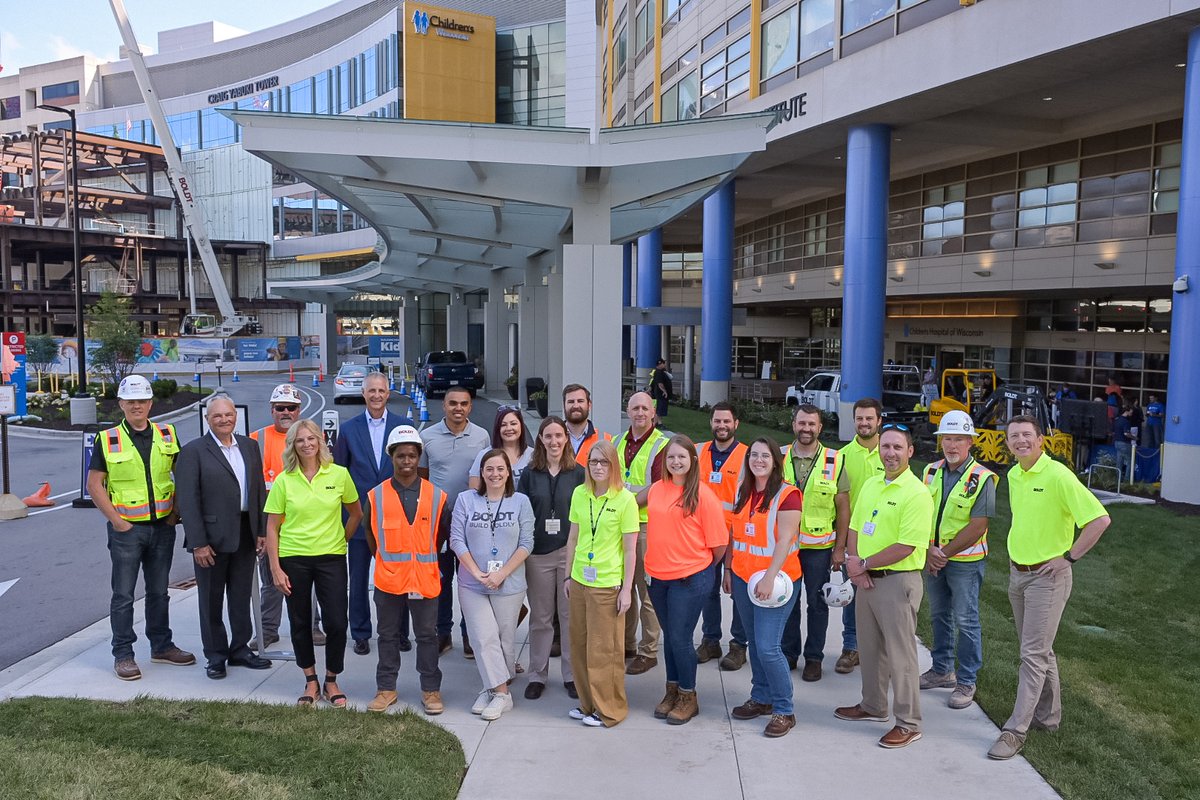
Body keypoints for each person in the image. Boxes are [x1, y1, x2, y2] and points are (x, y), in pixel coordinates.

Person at [988, 415, 1110, 760]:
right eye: (1014, 436)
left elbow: (1100, 520)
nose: (1021, 441)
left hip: (1048, 578)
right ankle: (1048, 717)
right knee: (1041, 649)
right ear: (1008, 444)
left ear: (1041, 440)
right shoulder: (1014, 474)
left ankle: (1015, 731)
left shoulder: (1057, 475)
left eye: (1027, 435)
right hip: (1018, 574)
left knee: (1032, 654)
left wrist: (1068, 558)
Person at [86, 375, 195, 681]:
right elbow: (95, 485)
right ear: (121, 404)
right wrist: (118, 522)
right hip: (127, 531)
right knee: (123, 595)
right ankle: (123, 654)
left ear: (150, 403)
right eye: (130, 401)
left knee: (159, 592)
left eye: (142, 401)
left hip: (163, 527)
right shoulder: (107, 439)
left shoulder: (167, 434)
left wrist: (175, 514)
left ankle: (161, 646)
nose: (137, 406)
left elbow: (183, 476)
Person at [835, 423, 933, 749]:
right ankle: (873, 705)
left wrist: (863, 564)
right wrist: (854, 560)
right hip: (867, 579)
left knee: (901, 656)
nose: (890, 453)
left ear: (910, 452)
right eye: (885, 447)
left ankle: (909, 723)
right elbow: (854, 525)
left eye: (897, 448)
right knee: (871, 649)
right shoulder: (874, 484)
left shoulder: (917, 493)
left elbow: (906, 546)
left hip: (896, 582)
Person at [265, 419, 363, 708]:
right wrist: (275, 567)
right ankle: (310, 679)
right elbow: (272, 527)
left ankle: (331, 679)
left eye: (311, 439)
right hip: (293, 557)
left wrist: (341, 539)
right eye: (300, 440)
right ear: (292, 446)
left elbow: (356, 513)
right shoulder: (284, 480)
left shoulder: (340, 474)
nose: (306, 444)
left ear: (321, 442)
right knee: (299, 621)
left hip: (331, 557)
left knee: (336, 621)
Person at [176, 396, 272, 680]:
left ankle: (240, 650)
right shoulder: (193, 451)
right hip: (211, 539)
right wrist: (198, 542)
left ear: (235, 416)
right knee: (211, 600)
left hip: (245, 532)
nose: (224, 420)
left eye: (229, 415)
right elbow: (188, 500)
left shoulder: (250, 446)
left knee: (241, 597)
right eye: (217, 416)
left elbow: (258, 491)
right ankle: (216, 656)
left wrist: (261, 530)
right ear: (208, 419)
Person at [363, 425, 452, 716]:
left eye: (412, 456)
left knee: (427, 636)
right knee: (387, 635)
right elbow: (370, 535)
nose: (407, 462)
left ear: (419, 457)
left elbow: (441, 535)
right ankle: (386, 689)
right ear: (392, 456)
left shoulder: (437, 496)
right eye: (401, 456)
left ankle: (430, 690)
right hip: (389, 580)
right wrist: (391, 562)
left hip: (424, 580)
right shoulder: (375, 497)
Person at [645, 435, 727, 725]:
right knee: (671, 638)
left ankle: (688, 695)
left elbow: (719, 545)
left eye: (681, 456)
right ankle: (672, 690)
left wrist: (696, 567)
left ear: (693, 460)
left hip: (690, 578)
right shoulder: (656, 489)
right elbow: (628, 502)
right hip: (659, 578)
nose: (676, 462)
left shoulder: (703, 495)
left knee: (680, 639)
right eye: (671, 457)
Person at [918, 410, 997, 710]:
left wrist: (942, 554)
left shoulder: (982, 478)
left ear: (970, 442)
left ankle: (966, 680)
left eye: (959, 439)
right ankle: (941, 670)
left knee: (966, 619)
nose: (952, 445)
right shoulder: (929, 472)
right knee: (939, 616)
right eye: (947, 438)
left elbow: (979, 525)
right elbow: (922, 513)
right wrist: (928, 550)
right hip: (933, 557)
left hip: (964, 560)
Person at [332, 371, 414, 657]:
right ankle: (361, 633)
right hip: (360, 517)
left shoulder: (403, 426)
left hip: (395, 517)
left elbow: (410, 471)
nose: (377, 395)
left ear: (388, 393)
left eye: (381, 390)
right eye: (371, 391)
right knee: (357, 578)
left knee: (396, 576)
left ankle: (399, 632)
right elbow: (340, 473)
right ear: (364, 394)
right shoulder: (349, 429)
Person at [727, 437, 803, 738]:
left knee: (769, 647)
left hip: (777, 582)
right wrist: (730, 571)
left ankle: (784, 709)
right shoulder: (744, 491)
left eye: (765, 456)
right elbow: (737, 536)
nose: (758, 460)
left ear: (775, 461)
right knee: (756, 645)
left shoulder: (788, 495)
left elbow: (784, 540)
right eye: (753, 455)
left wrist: (770, 577)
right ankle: (761, 697)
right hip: (746, 579)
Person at [450, 449, 534, 721]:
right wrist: (477, 573)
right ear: (482, 472)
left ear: (508, 472)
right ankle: (502, 694)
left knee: (505, 640)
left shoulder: (520, 501)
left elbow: (527, 543)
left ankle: (489, 688)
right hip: (472, 583)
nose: (495, 473)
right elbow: (456, 540)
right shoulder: (466, 500)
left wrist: (501, 574)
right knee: (482, 636)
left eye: (500, 468)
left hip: (509, 582)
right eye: (489, 469)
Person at [564, 439, 641, 727]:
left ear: (613, 466)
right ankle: (587, 704)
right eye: (593, 462)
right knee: (581, 645)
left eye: (603, 462)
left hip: (608, 585)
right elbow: (573, 537)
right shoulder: (579, 494)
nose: (597, 467)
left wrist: (626, 589)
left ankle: (610, 709)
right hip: (581, 580)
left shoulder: (625, 500)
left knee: (604, 649)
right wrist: (568, 575)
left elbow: (631, 549)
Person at [419, 386, 492, 655]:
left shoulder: (482, 437)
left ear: (470, 406)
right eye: (452, 403)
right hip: (438, 521)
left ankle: (469, 634)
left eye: (463, 403)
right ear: (444, 406)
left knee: (470, 580)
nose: (458, 408)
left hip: (472, 522)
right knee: (441, 578)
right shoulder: (427, 437)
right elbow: (423, 479)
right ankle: (443, 633)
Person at [516, 416, 585, 700]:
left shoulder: (579, 473)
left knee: (569, 618)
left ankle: (571, 675)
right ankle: (537, 675)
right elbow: (521, 512)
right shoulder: (530, 473)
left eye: (559, 436)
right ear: (540, 441)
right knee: (542, 618)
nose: (554, 441)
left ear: (566, 438)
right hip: (538, 553)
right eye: (548, 436)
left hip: (570, 554)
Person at [251, 383, 323, 649]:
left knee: (308, 582)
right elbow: (252, 489)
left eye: (291, 408)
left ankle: (312, 626)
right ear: (272, 410)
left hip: (304, 525)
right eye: (280, 407)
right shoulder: (256, 439)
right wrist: (259, 530)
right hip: (271, 526)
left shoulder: (310, 439)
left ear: (298, 410)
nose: (285, 412)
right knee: (271, 582)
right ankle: (268, 629)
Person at [780, 404, 850, 681]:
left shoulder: (835, 460)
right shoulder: (780, 456)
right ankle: (789, 653)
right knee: (787, 601)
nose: (806, 429)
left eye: (812, 424)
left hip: (819, 549)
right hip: (785, 547)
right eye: (801, 423)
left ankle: (814, 658)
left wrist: (840, 548)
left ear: (820, 428)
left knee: (817, 605)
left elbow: (843, 507)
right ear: (794, 424)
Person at [613, 391, 667, 675]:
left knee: (647, 591)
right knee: (624, 588)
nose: (640, 413)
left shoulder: (662, 445)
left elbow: (659, 486)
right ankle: (627, 644)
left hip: (646, 526)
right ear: (628, 410)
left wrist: (628, 504)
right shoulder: (616, 441)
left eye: (645, 408)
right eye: (635, 408)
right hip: (619, 526)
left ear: (653, 412)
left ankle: (649, 650)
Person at [695, 401, 749, 670]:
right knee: (708, 590)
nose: (722, 426)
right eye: (717, 421)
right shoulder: (698, 451)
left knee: (737, 591)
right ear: (711, 423)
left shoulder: (748, 456)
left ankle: (738, 645)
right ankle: (711, 640)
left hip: (737, 535)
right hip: (703, 535)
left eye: (727, 421)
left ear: (736, 424)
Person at [834, 397, 885, 675]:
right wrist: (840, 546)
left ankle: (878, 651)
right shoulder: (842, 456)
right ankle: (851, 648)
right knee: (849, 596)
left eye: (869, 418)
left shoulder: (889, 453)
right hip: (852, 539)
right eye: (859, 418)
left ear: (879, 420)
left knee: (882, 597)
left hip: (884, 541)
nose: (864, 423)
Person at [469, 405, 534, 489]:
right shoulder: (484, 455)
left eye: (513, 424)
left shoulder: (534, 455)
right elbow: (473, 491)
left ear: (521, 425)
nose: (509, 428)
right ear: (497, 428)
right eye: (503, 425)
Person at [563, 383, 609, 467]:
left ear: (589, 405)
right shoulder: (552, 438)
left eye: (580, 401)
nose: (576, 406)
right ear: (564, 405)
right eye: (570, 402)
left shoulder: (605, 439)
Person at [1113, 405, 1135, 479]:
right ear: (1127, 411)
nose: (1131, 414)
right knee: (1130, 462)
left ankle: (1117, 478)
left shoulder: (1117, 420)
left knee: (1119, 461)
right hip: (1125, 443)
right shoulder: (1126, 422)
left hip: (1117, 442)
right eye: (1131, 412)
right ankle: (1127, 479)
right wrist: (1134, 437)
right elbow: (1126, 434)